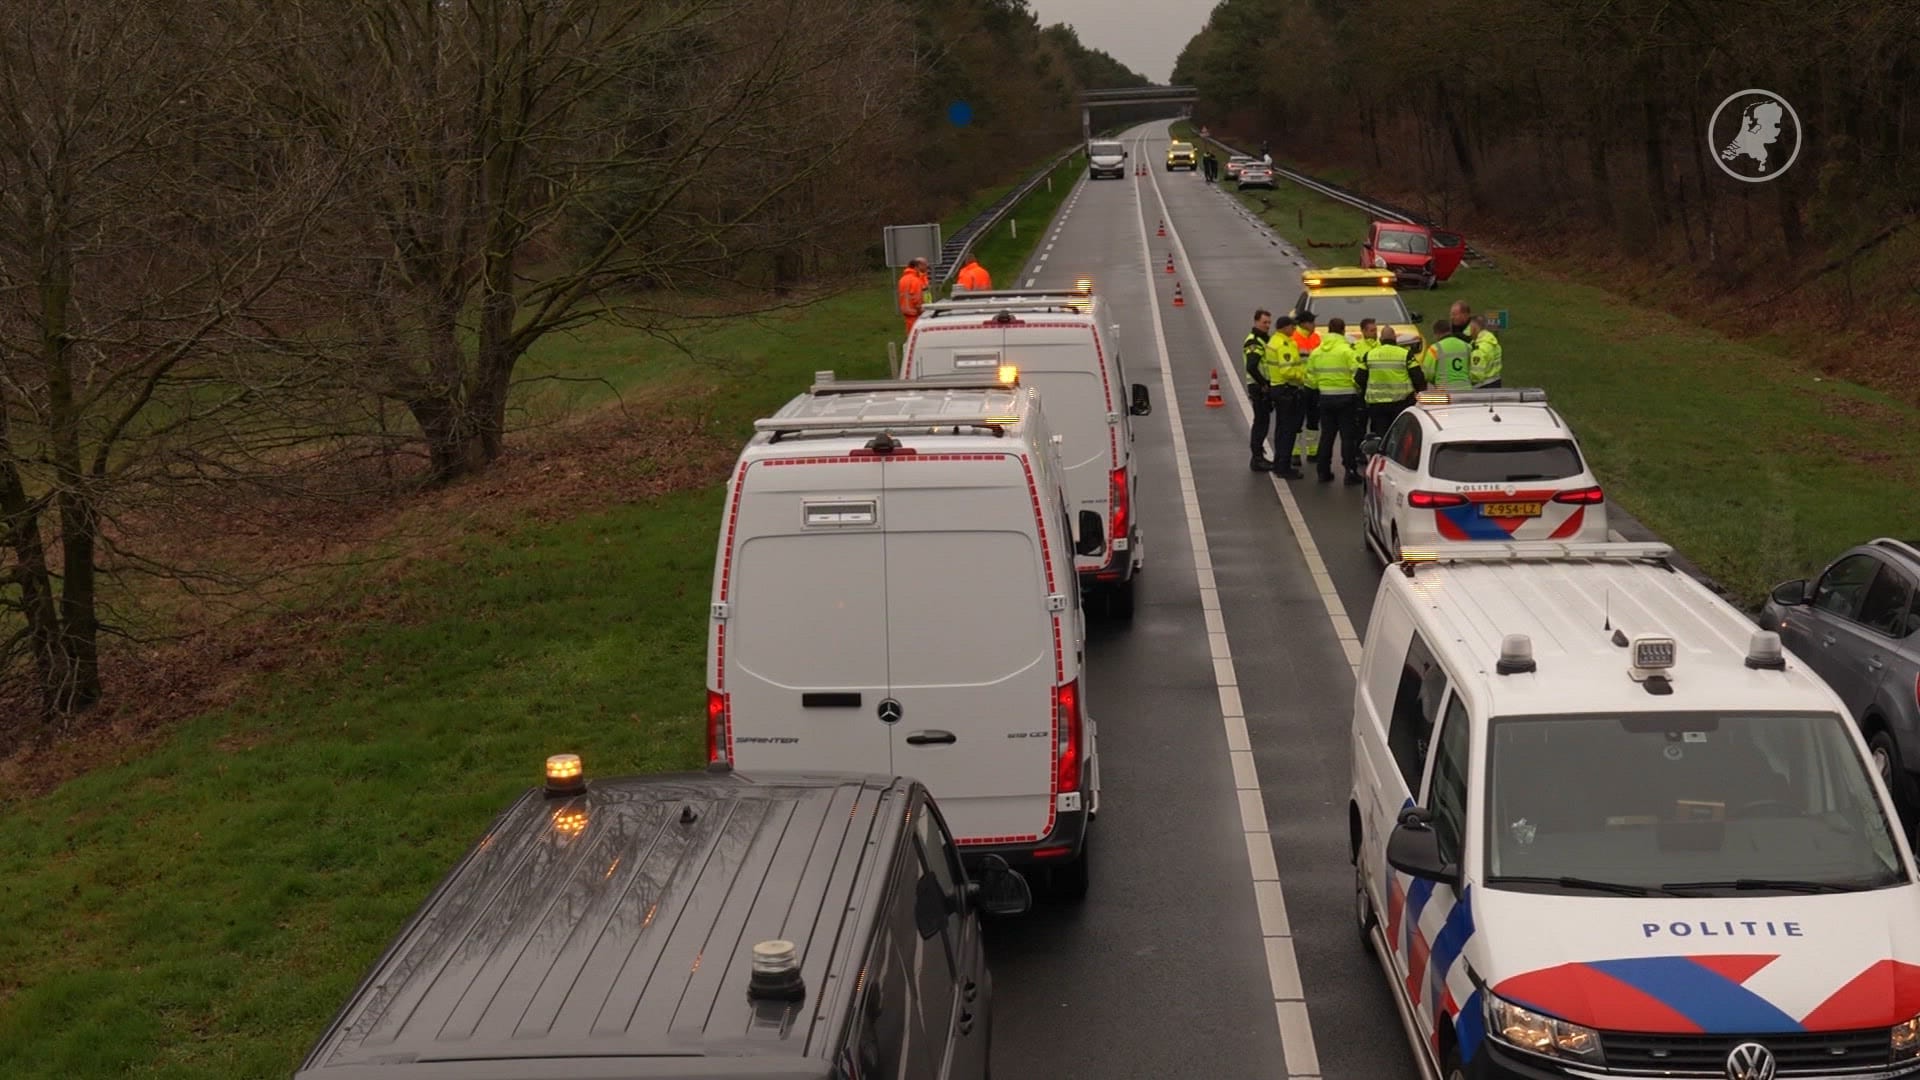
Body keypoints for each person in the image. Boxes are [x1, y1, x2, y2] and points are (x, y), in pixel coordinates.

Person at [1306, 317, 1365, 485]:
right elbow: (1358, 373)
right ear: (1343, 330)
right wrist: (1356, 390)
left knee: (1327, 435)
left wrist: (1320, 388)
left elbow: (1310, 378)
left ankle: (1323, 471)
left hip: (1325, 398)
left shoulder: (1317, 352)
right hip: (1346, 397)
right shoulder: (1347, 351)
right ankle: (1350, 471)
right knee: (1348, 437)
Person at [1262, 315, 1309, 479]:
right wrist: (1302, 377)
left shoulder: (1273, 341)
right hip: (1287, 389)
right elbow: (1287, 371)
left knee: (1281, 428)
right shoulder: (1284, 344)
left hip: (1277, 387)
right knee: (1288, 430)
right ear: (1284, 327)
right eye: (1292, 327)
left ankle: (1279, 462)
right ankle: (1284, 467)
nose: (1294, 329)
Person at [1361, 326, 1426, 435]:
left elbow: (1360, 378)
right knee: (1400, 436)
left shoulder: (1369, 355)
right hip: (1401, 403)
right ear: (1395, 339)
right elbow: (1417, 376)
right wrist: (1419, 392)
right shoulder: (1405, 354)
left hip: (1377, 406)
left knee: (1381, 437)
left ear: (1380, 340)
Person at [1243, 309, 1277, 471]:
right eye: (1264, 322)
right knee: (1261, 422)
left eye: (1269, 322)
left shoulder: (1264, 340)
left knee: (1263, 421)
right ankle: (1256, 458)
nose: (1267, 325)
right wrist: (1264, 384)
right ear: (1256, 322)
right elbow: (1251, 366)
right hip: (1258, 387)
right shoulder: (1254, 342)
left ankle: (1258, 456)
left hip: (1262, 386)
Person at [1289, 316, 1323, 469]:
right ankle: (1295, 453)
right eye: (1311, 322)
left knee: (1313, 420)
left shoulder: (1316, 338)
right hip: (1300, 385)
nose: (1314, 324)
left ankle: (1312, 451)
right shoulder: (1294, 338)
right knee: (1297, 420)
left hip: (1314, 386)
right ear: (1303, 323)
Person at [1424, 318, 1473, 390]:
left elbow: (1428, 374)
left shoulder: (1434, 349)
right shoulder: (1467, 346)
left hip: (1445, 390)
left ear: (1437, 333)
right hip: (1466, 389)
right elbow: (1472, 368)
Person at [1468, 314, 1503, 387]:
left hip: (1483, 387)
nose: (1469, 332)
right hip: (1496, 382)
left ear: (1475, 328)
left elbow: (1477, 375)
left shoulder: (1479, 348)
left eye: (1470, 328)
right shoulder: (1494, 343)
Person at [898, 258, 929, 335]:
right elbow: (917, 298)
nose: (926, 266)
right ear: (916, 267)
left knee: (911, 336)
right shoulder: (915, 280)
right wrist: (921, 311)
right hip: (915, 313)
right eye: (924, 265)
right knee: (917, 336)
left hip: (907, 312)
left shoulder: (903, 279)